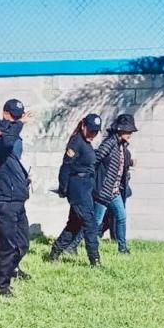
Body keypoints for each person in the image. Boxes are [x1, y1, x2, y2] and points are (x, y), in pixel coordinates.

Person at [0, 99, 32, 294]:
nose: (17, 120)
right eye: (14, 116)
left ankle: (5, 271)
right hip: (2, 197)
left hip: (15, 197)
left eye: (19, 116)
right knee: (5, 242)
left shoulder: (12, 134)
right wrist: (19, 124)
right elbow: (3, 148)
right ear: (5, 113)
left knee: (21, 241)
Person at [48, 113, 104, 265]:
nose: (93, 134)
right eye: (91, 130)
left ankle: (54, 254)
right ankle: (95, 261)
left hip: (85, 187)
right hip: (77, 188)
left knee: (74, 224)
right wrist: (63, 188)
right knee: (90, 224)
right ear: (83, 126)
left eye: (96, 132)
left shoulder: (86, 143)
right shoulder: (76, 142)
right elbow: (65, 166)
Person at [93, 113, 137, 254]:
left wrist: (129, 162)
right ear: (120, 130)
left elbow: (120, 162)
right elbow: (96, 158)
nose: (130, 134)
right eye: (128, 131)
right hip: (104, 190)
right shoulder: (110, 143)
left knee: (121, 217)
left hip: (115, 191)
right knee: (96, 222)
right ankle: (77, 245)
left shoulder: (122, 146)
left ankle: (123, 248)